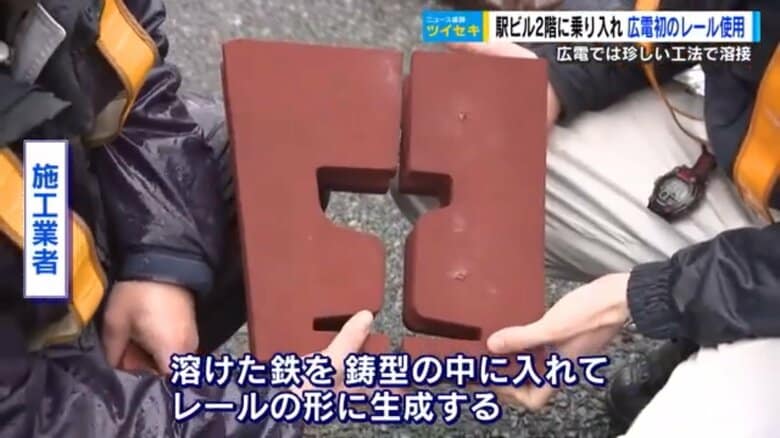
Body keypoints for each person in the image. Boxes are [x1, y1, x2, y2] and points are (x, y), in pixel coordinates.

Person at [393, 0, 780, 436]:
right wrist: (560, 78)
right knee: (436, 140)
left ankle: (723, 335)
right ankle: (709, 329)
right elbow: (680, 15)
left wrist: (650, 295)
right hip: (756, 194)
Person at [0, 0, 371, 436]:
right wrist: (270, 409)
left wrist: (161, 261)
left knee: (265, 161)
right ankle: (134, 402)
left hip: (40, 230)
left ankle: (135, 381)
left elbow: (131, 77)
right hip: (21, 385)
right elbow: (19, 419)